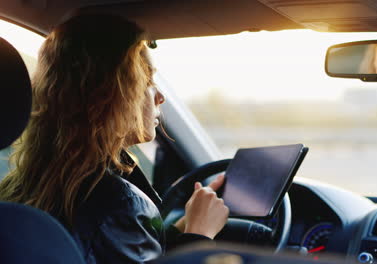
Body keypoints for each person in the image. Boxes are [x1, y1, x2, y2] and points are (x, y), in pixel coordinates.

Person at [0, 13, 229, 263]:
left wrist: (180, 229)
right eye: (147, 80)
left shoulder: (19, 187)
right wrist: (200, 235)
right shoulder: (118, 205)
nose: (160, 96)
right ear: (112, 96)